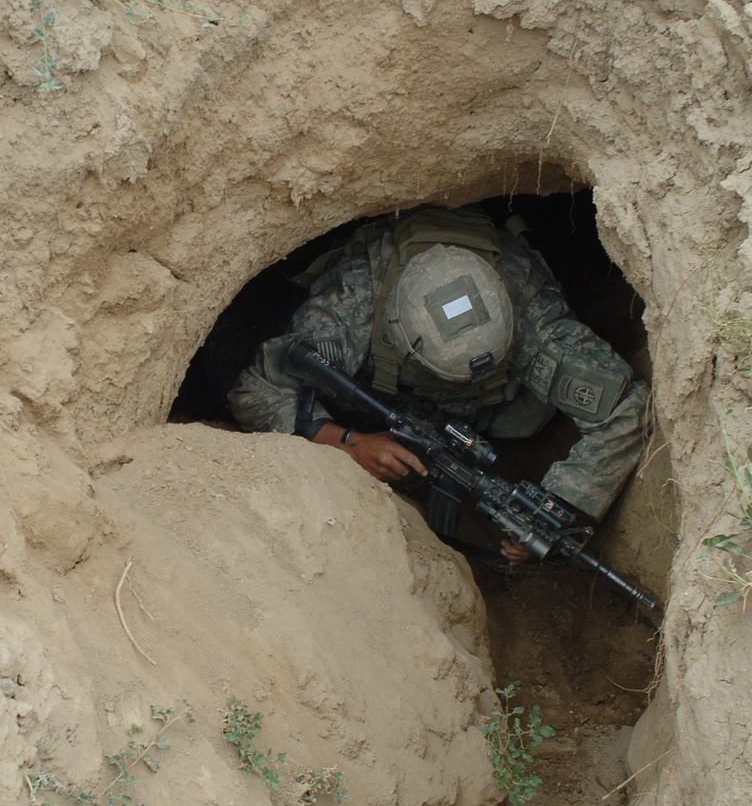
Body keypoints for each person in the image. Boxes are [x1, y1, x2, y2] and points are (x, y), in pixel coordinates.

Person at [227, 204, 648, 561]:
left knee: (522, 425)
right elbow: (256, 391)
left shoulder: (533, 314)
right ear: (397, 336)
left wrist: (556, 507)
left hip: (497, 417)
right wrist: (346, 442)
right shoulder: (351, 305)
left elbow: (627, 404)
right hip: (385, 402)